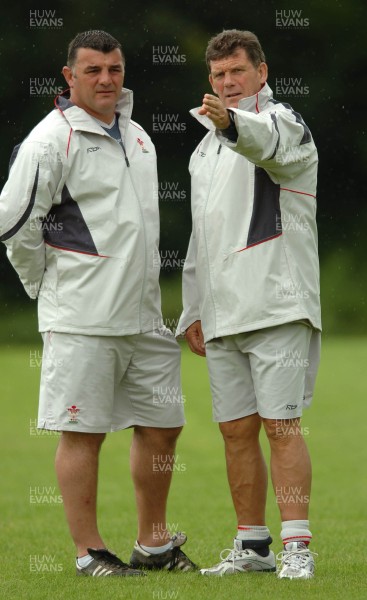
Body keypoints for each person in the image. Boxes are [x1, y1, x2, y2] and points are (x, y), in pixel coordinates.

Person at [0, 30, 196, 577]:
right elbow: (15, 226)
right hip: (82, 319)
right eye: (93, 70)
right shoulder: (49, 140)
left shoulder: (137, 137)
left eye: (114, 69)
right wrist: (48, 287)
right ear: (69, 77)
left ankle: (153, 544)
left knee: (164, 425)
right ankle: (90, 553)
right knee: (83, 432)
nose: (106, 79)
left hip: (145, 317)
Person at [177, 29, 321, 579]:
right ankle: (253, 547)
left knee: (281, 425)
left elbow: (260, 140)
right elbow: (202, 237)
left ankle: (297, 549)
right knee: (235, 431)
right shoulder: (203, 149)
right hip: (223, 311)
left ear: (262, 71)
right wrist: (193, 307)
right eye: (218, 75)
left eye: (237, 71)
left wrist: (231, 121)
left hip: (278, 303)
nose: (228, 82)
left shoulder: (284, 121)